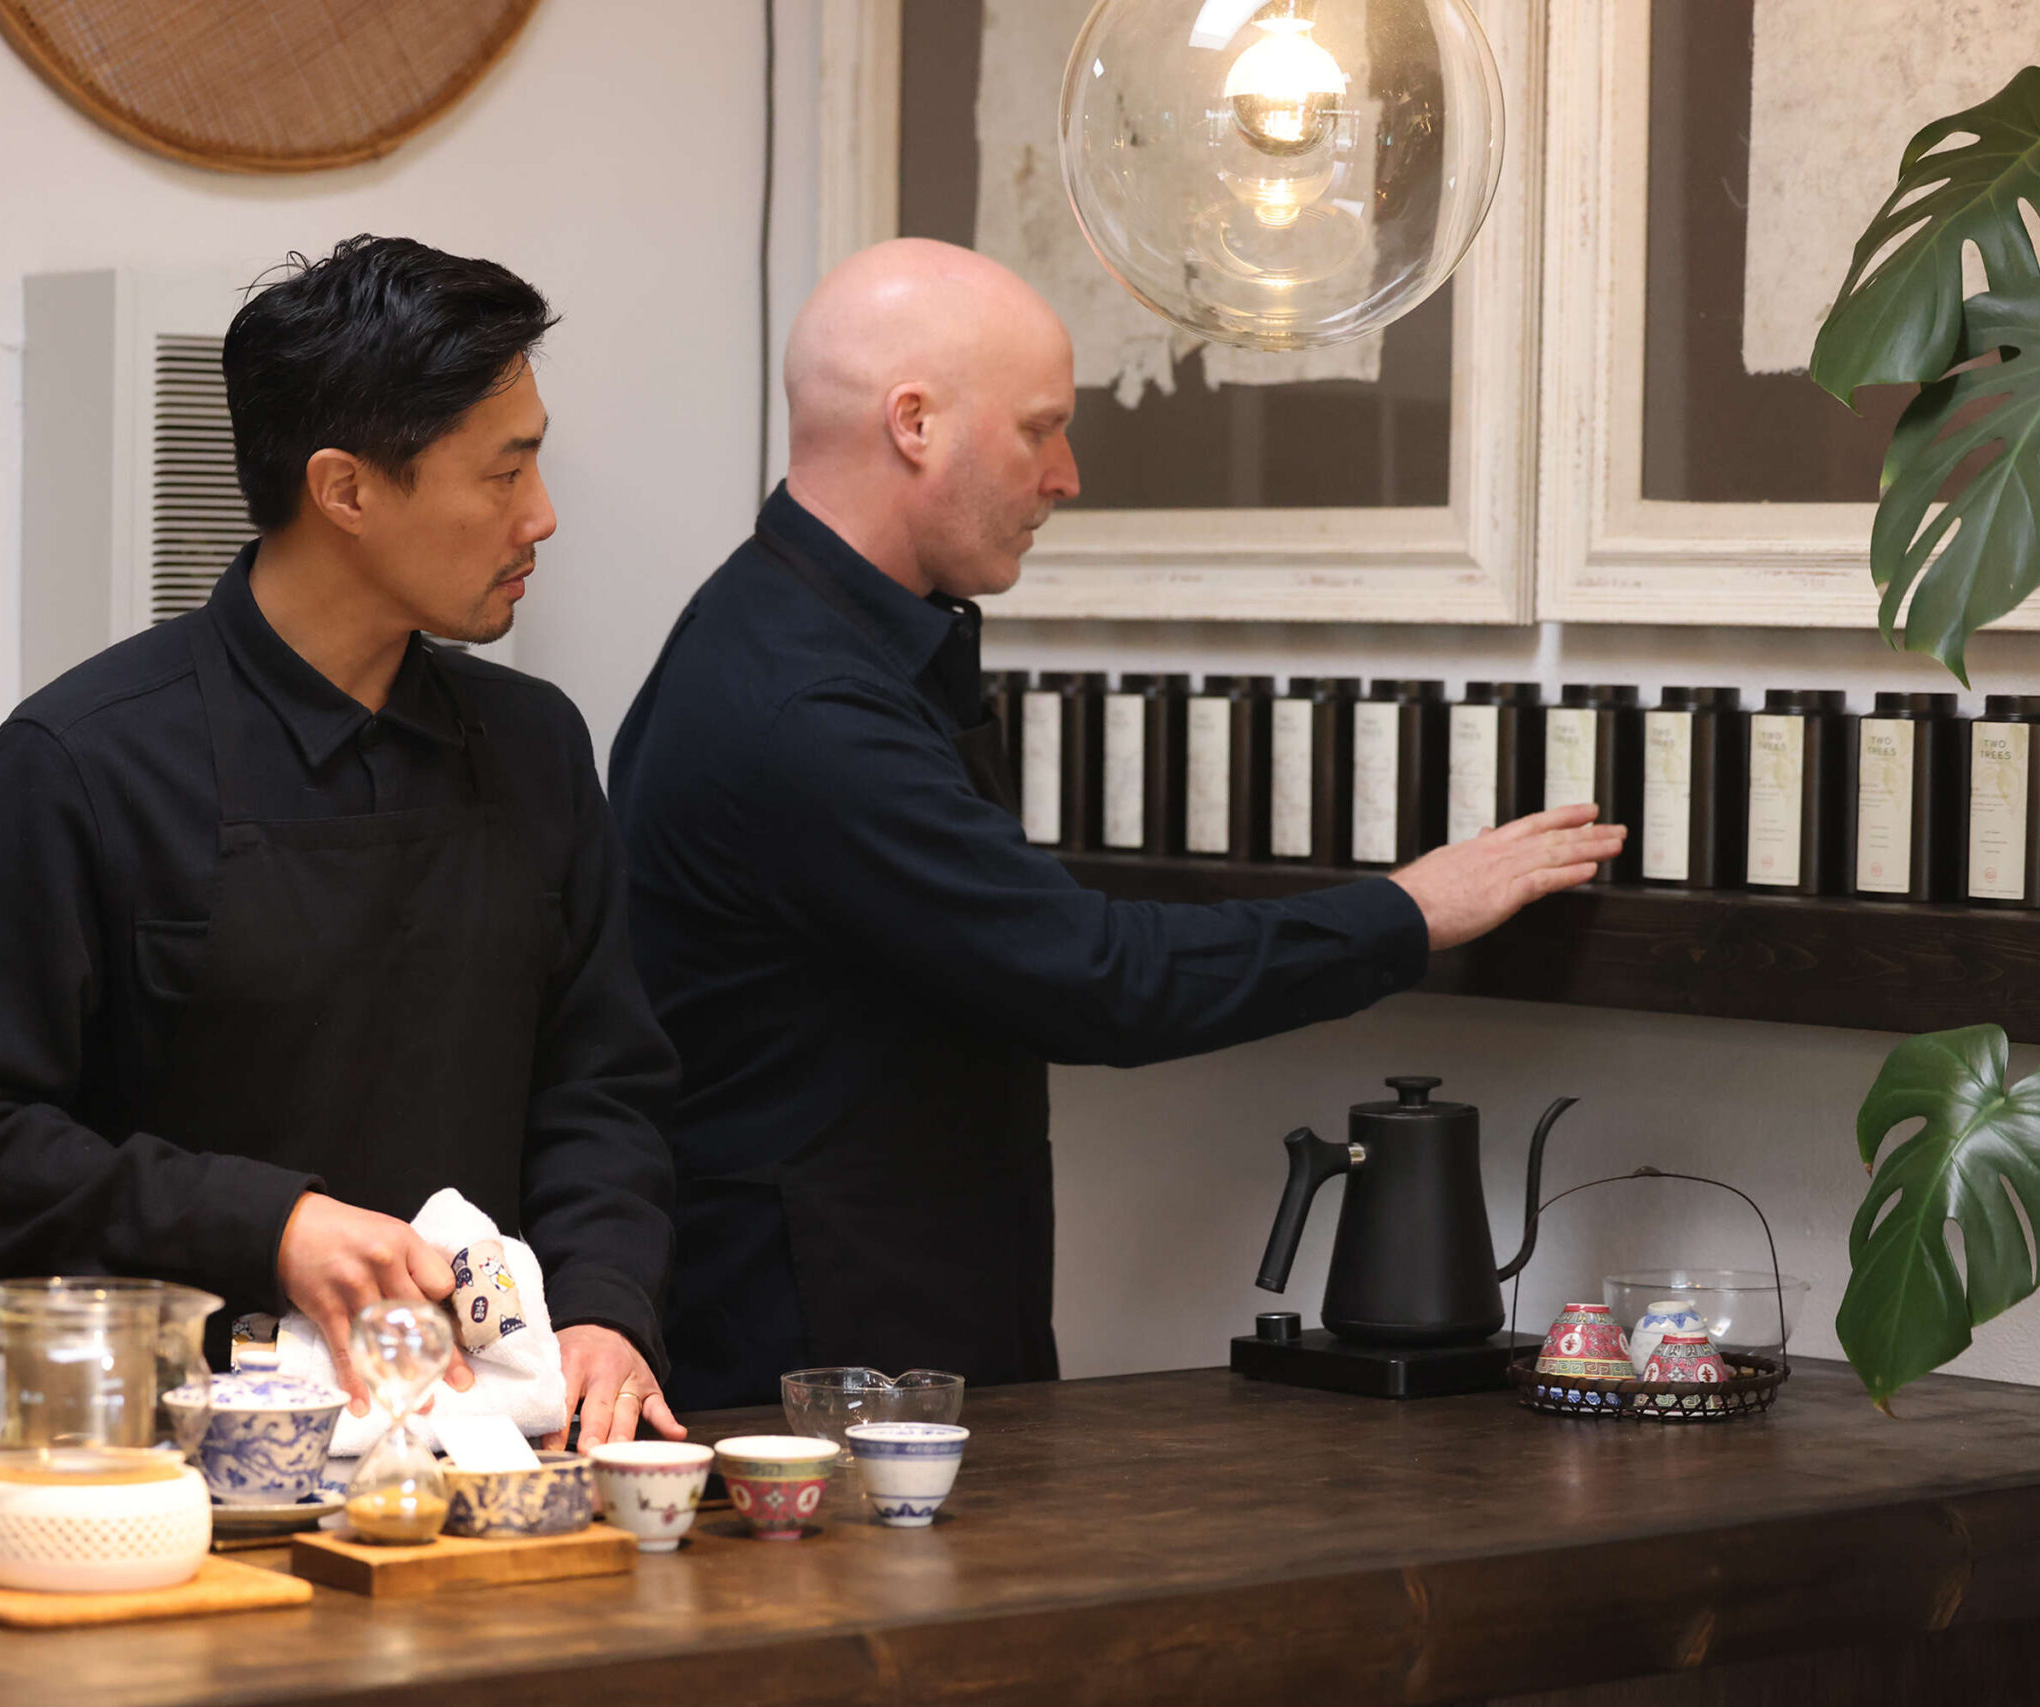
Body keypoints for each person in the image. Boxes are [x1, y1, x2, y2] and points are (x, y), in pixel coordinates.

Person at [608, 238, 1625, 1411]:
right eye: (1040, 428)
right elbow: (1090, 978)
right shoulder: (805, 705)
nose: (1067, 475)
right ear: (914, 424)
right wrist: (1411, 911)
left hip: (874, 1319)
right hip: (817, 1368)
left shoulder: (808, 633)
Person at [0, 236, 685, 1451]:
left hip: (493, 1453)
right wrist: (268, 1225)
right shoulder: (84, 763)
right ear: (345, 490)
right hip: (159, 1470)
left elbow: (602, 1088)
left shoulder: (534, 745)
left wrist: (607, 1309)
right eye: (503, 473)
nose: (543, 515)